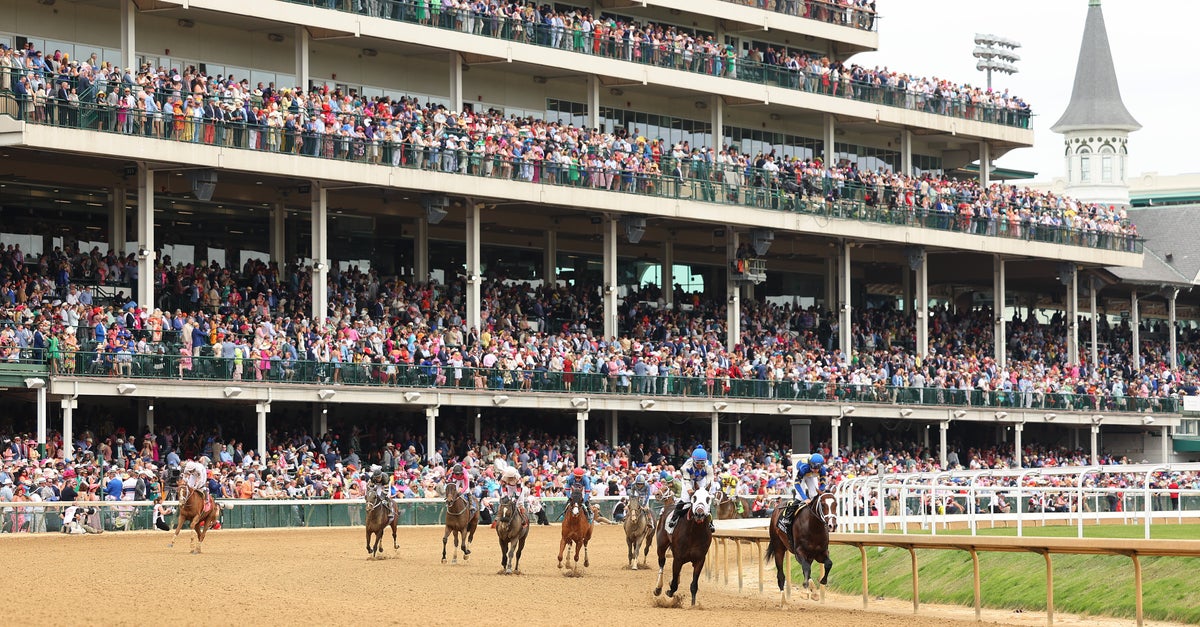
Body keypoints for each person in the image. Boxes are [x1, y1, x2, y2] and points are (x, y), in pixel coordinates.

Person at [777, 453, 826, 534]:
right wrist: (805, 498)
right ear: (810, 465)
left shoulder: (823, 470)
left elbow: (823, 483)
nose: (815, 470)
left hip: (811, 476)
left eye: (817, 469)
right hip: (802, 474)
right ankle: (787, 518)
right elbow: (797, 484)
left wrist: (820, 491)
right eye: (813, 468)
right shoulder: (803, 468)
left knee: (814, 494)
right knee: (800, 497)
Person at [670, 446, 713, 532]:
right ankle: (674, 518)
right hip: (688, 480)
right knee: (685, 499)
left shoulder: (709, 466)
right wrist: (690, 490)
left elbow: (709, 481)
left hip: (701, 480)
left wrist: (706, 491)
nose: (700, 465)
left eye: (702, 463)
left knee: (704, 499)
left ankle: (711, 523)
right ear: (693, 460)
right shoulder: (686, 467)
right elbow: (687, 481)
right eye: (698, 463)